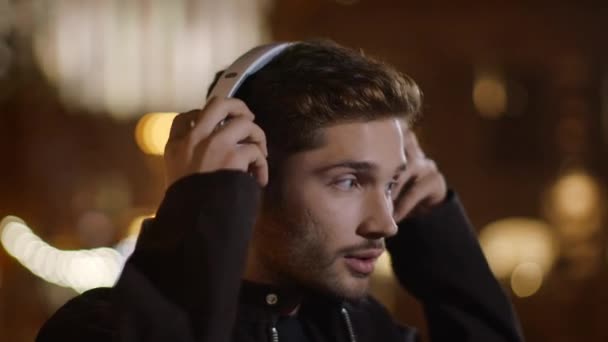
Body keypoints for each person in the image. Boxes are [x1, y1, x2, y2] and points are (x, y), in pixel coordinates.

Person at [37, 40, 524, 342]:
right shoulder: (97, 328)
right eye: (349, 180)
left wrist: (438, 234)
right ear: (250, 169)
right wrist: (202, 204)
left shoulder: (359, 327)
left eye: (392, 183)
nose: (386, 222)